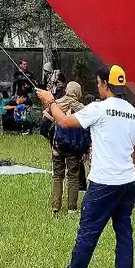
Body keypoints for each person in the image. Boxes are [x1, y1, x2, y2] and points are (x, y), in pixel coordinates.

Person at [36, 65, 135, 268]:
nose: (97, 87)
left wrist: (49, 100)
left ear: (106, 84)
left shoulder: (99, 109)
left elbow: (64, 122)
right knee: (124, 233)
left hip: (103, 184)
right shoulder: (134, 114)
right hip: (126, 183)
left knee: (88, 233)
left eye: (98, 83)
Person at [45, 81, 88, 214]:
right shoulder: (82, 108)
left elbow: (45, 116)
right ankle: (72, 208)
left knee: (57, 175)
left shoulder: (57, 104)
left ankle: (56, 206)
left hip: (58, 145)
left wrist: (55, 120)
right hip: (74, 147)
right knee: (73, 176)